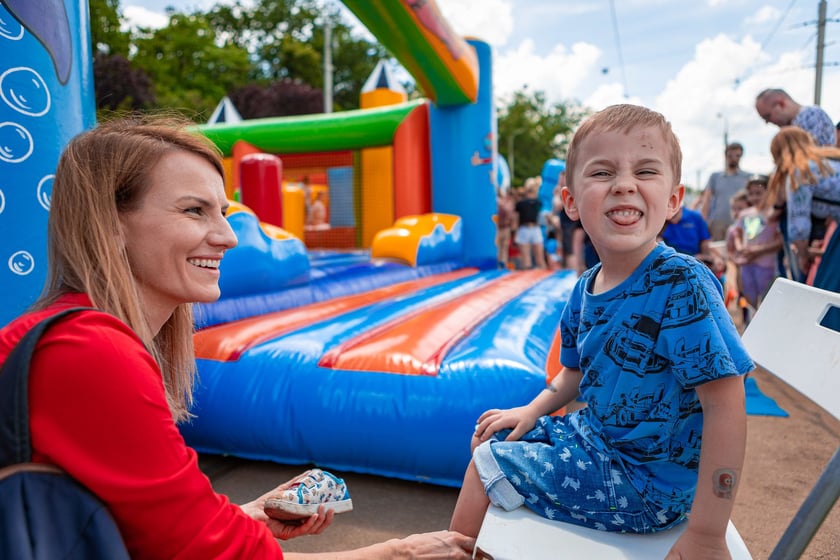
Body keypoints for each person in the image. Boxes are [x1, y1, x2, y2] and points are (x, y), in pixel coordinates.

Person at [0, 116, 475, 560]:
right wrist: (398, 552)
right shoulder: (92, 351)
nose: (227, 235)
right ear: (112, 222)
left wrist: (245, 516)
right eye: (195, 211)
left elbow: (167, 527)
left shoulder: (77, 332)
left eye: (223, 212)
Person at [449, 104, 753, 559]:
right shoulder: (585, 288)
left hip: (649, 483)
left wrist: (708, 532)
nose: (625, 184)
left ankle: (450, 551)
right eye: (603, 172)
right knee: (493, 438)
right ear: (571, 202)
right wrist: (531, 410)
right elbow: (572, 373)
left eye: (646, 170)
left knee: (484, 465)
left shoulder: (681, 283)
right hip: (599, 443)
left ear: (674, 199)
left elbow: (726, 401)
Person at [768, 126, 840, 294]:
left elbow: (799, 226)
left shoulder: (800, 171)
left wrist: (803, 255)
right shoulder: (829, 160)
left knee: (825, 291)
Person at [730, 175, 782, 312]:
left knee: (767, 300)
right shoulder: (745, 214)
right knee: (749, 299)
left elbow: (780, 241)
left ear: (768, 192)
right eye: (751, 193)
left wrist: (758, 250)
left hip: (766, 265)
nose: (755, 197)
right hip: (747, 263)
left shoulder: (773, 214)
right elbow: (737, 233)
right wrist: (741, 248)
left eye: (759, 193)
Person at [699, 142, 752, 241]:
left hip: (741, 222)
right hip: (718, 224)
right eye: (730, 155)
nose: (734, 158)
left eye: (737, 155)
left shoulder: (747, 177)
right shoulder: (715, 177)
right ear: (726, 156)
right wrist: (703, 223)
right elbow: (707, 200)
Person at [660, 199, 726, 277]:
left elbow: (705, 242)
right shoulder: (660, 221)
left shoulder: (695, 217)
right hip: (672, 262)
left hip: (695, 260)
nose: (672, 218)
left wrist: (713, 258)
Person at [755, 88, 836, 147]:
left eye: (767, 116)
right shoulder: (790, 127)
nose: (767, 122)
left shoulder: (812, 115)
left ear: (781, 104)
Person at [513, 177, 547, 269]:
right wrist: (515, 232)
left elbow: (541, 216)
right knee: (527, 260)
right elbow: (516, 219)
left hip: (534, 228)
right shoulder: (522, 203)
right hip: (525, 228)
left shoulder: (537, 202)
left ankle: (540, 274)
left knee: (537, 258)